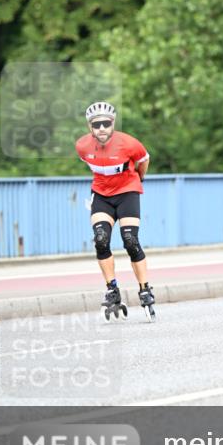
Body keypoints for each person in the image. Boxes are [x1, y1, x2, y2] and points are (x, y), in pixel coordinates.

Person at [75, 102, 155, 320]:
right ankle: (112, 289)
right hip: (101, 194)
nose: (101, 128)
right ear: (89, 126)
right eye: (96, 124)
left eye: (106, 123)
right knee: (101, 239)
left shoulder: (129, 143)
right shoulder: (82, 146)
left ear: (113, 123)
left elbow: (144, 160)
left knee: (130, 240)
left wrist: (139, 179)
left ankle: (145, 289)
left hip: (127, 192)